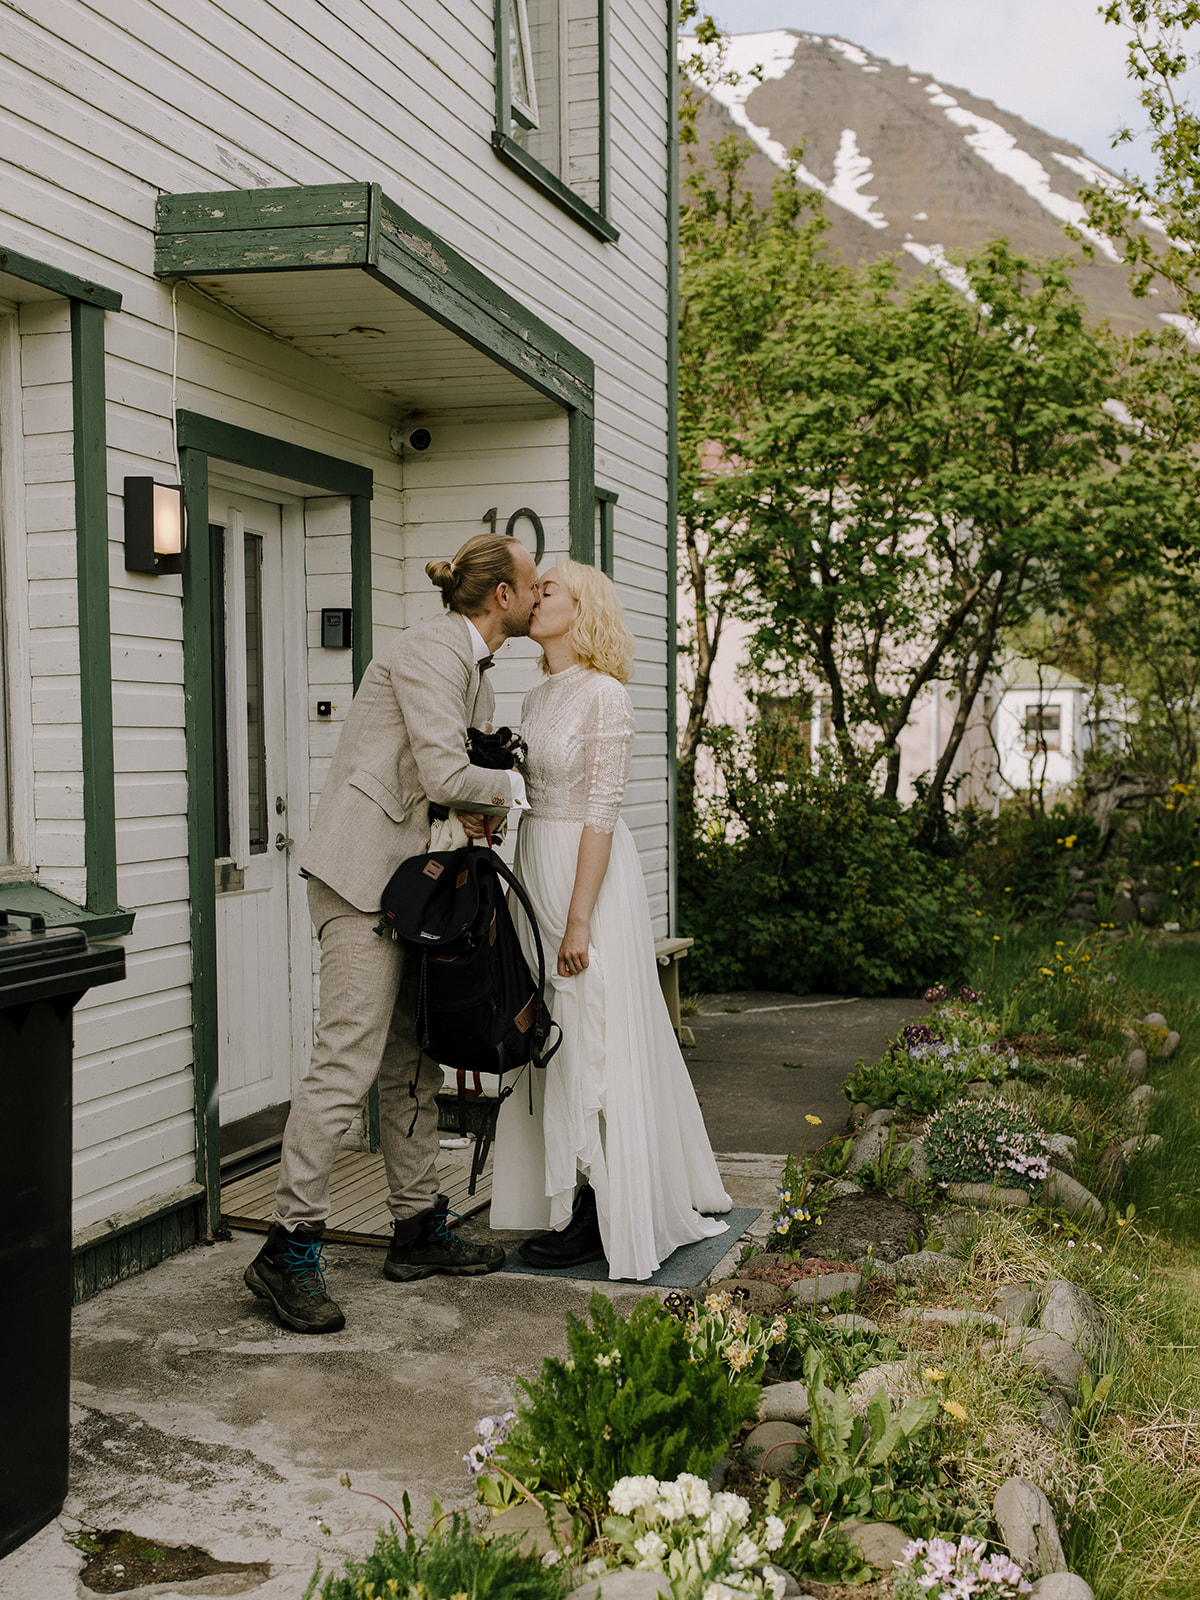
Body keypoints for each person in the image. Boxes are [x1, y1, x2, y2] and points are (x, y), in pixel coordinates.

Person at [244, 532, 541, 1333]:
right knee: (347, 1060)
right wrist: (523, 786)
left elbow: (448, 792)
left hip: (415, 890)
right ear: (503, 596)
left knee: (413, 1064)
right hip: (359, 879)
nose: (538, 595)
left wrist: (478, 809)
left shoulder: (476, 672)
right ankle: (287, 1246)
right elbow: (447, 774)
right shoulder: (431, 651)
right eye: (532, 584)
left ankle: (415, 1229)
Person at [490, 559, 731, 1280]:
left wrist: (578, 920)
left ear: (583, 608)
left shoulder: (606, 696)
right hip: (536, 865)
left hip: (587, 880)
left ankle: (604, 1205)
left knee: (590, 1029)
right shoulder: (537, 695)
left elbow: (601, 811)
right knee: (550, 1033)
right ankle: (566, 1193)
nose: (534, 598)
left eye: (548, 590)